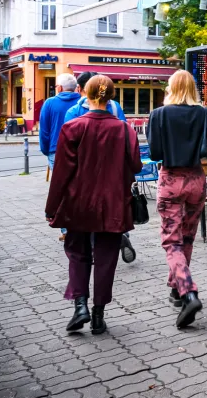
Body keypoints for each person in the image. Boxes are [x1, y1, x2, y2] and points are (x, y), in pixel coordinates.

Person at [45, 75, 142, 335]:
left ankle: (80, 307)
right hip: (112, 202)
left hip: (78, 202)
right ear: (111, 97)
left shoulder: (73, 127)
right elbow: (136, 166)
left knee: (77, 253)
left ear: (84, 94)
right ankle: (99, 316)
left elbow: (61, 174)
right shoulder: (124, 130)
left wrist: (51, 207)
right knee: (106, 257)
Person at [147, 70, 207, 329]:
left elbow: (156, 152)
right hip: (196, 180)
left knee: (172, 242)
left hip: (170, 180)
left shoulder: (158, 115)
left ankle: (189, 292)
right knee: (187, 238)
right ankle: (176, 289)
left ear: (171, 88)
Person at [38, 73, 82, 169]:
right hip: (79, 150)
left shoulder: (49, 103)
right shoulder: (82, 102)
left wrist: (46, 149)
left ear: (60, 88)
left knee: (59, 183)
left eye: (56, 86)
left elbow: (44, 130)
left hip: (56, 149)